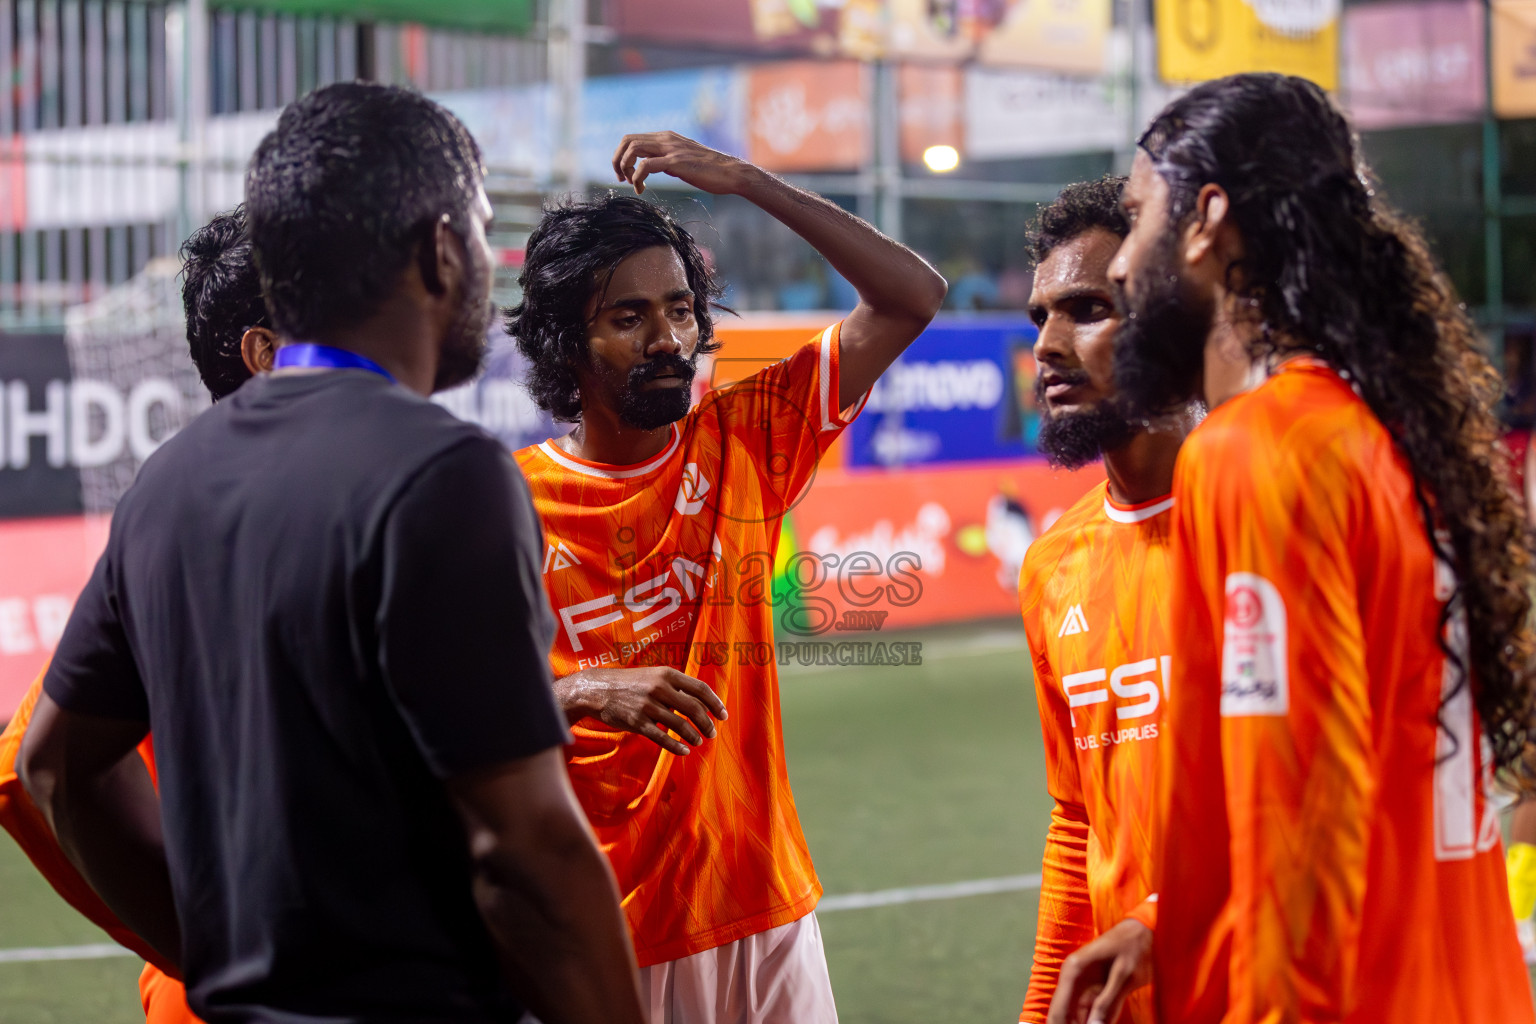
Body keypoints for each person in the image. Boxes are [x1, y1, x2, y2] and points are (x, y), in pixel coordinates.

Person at [18, 81, 646, 1024]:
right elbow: (526, 851)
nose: (489, 264)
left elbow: (56, 767)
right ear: (442, 249)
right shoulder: (445, 472)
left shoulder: (168, 480)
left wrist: (208, 955)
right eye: (481, 233)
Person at [1060, 72, 1536, 1023]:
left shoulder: (1256, 449)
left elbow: (1302, 825)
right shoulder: (1394, 430)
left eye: (1139, 219)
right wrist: (1170, 920)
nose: (1118, 267)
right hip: (1465, 981)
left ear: (1206, 222)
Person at [505, 131, 946, 1021]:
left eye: (679, 308)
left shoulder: (744, 436)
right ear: (565, 341)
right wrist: (587, 689)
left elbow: (910, 299)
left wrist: (748, 184)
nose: (667, 338)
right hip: (604, 940)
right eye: (628, 318)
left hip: (762, 916)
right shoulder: (506, 501)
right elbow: (442, 712)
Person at [0, 205, 272, 1024]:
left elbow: (30, 765)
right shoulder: (231, 521)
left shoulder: (181, 506)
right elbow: (32, 769)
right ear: (264, 353)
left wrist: (191, 950)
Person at [1013, 177, 1193, 1024]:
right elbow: (1079, 819)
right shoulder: (1052, 565)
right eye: (1039, 316)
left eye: (1085, 309)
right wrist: (1043, 1002)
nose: (1048, 345)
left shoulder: (1262, 517)